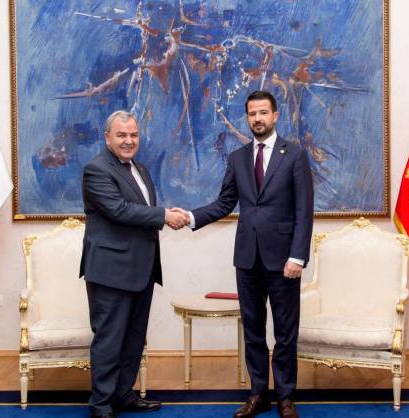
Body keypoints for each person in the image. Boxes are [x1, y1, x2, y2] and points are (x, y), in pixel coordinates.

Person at [174, 91, 314, 418]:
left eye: (263, 112)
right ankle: (257, 394)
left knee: (285, 333)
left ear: (275, 116)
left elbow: (303, 210)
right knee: (252, 330)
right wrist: (191, 217)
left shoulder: (294, 155)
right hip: (247, 258)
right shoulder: (238, 158)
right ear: (247, 118)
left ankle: (286, 397)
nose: (258, 119)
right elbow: (225, 203)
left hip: (284, 260)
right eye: (252, 114)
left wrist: (298, 256)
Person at [79, 110, 188, 418]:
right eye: (122, 135)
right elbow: (119, 210)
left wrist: (164, 212)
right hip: (111, 271)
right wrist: (164, 215)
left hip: (141, 269)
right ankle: (101, 404)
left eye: (134, 135)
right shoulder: (96, 169)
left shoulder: (140, 168)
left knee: (133, 339)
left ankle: (123, 395)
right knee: (109, 340)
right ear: (107, 138)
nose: (129, 141)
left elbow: (140, 210)